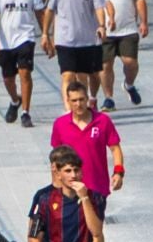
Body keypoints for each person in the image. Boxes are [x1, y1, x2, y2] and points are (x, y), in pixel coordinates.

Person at [86, 0, 147, 111]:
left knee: (131, 62)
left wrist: (143, 21)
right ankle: (109, 98)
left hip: (128, 27)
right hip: (104, 30)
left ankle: (129, 84)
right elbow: (91, 3)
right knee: (106, 65)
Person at [42, 0, 109, 105]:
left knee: (84, 76)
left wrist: (102, 26)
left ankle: (86, 102)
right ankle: (68, 109)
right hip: (65, 39)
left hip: (87, 40)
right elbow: (50, 10)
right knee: (67, 75)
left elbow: (99, 8)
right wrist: (45, 34)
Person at [49, 82, 123, 216]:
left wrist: (118, 172)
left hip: (97, 188)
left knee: (95, 227)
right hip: (69, 189)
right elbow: (55, 159)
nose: (78, 104)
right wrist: (56, 187)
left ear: (87, 99)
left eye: (81, 99)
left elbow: (115, 149)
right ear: (68, 101)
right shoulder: (60, 124)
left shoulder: (103, 121)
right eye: (74, 100)